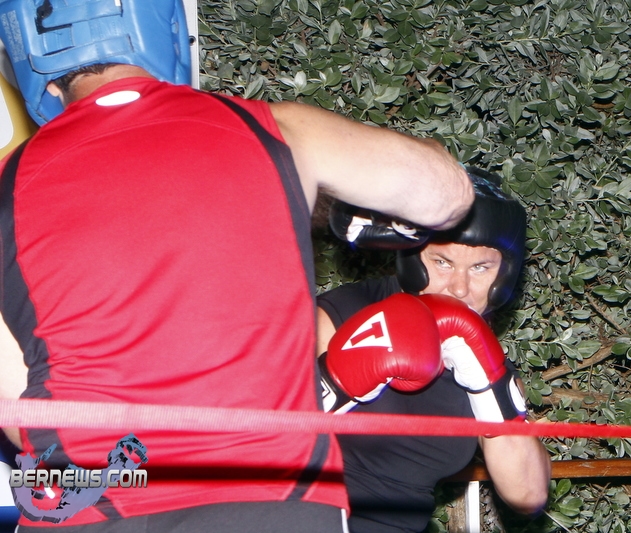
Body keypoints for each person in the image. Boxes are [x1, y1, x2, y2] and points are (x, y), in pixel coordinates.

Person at [0, 0, 474, 530]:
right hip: (268, 498)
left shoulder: (6, 187)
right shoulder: (272, 129)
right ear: (164, 27)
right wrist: (349, 203)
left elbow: (18, 410)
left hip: (90, 506)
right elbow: (447, 195)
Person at [316, 168, 552, 533]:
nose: (459, 287)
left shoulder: (481, 357)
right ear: (412, 257)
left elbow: (528, 494)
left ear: (503, 275)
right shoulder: (343, 313)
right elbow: (256, 437)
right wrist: (336, 382)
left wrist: (489, 386)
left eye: (480, 268)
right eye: (442, 262)